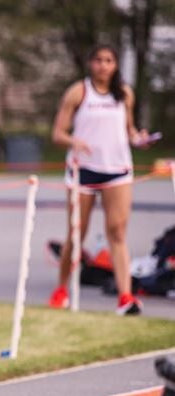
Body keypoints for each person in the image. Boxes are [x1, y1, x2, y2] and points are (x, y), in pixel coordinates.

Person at [48, 45, 155, 316]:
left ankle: (125, 296)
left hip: (117, 169)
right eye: (98, 60)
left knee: (117, 232)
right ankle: (61, 288)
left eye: (109, 61)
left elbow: (128, 130)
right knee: (76, 234)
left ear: (115, 65)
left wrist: (139, 139)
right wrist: (75, 141)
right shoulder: (78, 92)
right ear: (90, 63)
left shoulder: (124, 94)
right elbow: (58, 133)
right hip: (84, 170)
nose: (103, 66)